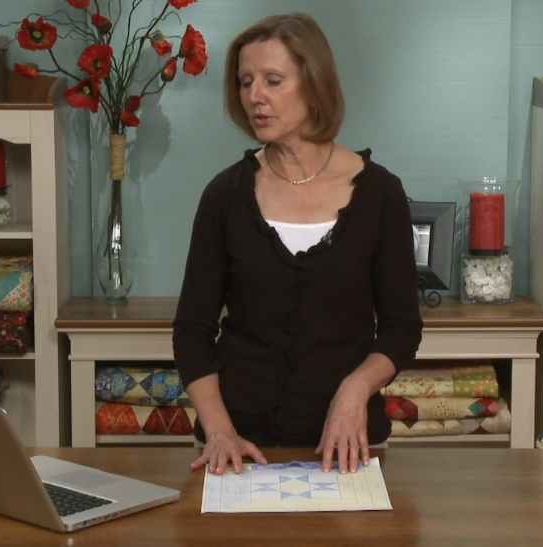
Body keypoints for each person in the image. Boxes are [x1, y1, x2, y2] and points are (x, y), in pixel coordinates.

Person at [172, 12, 422, 478]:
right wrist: (220, 429)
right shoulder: (224, 196)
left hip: (348, 446)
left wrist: (353, 393)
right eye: (246, 81)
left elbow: (402, 327)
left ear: (314, 84)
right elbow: (192, 331)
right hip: (236, 449)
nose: (254, 97)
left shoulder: (381, 194)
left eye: (273, 80)